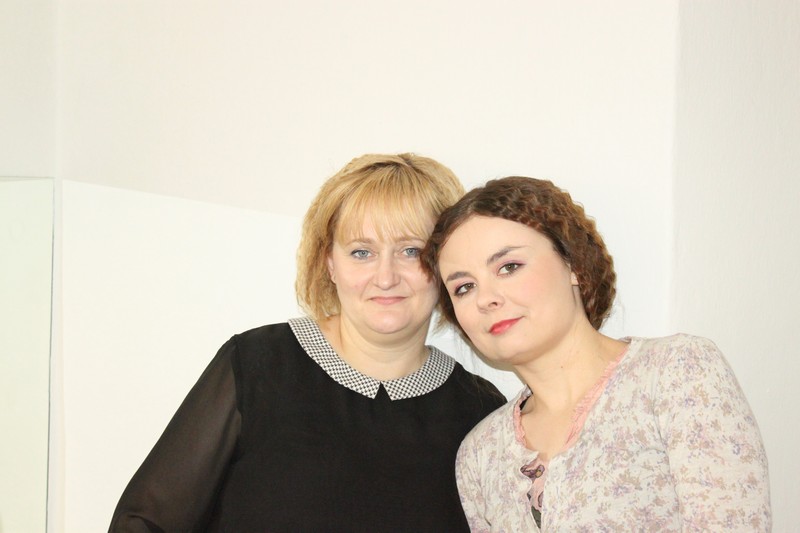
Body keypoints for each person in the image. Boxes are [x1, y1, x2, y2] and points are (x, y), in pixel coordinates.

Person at [108, 154, 506, 532]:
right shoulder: (257, 366)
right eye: (362, 252)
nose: (386, 277)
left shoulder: (480, 413)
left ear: (444, 263)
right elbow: (144, 522)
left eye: (411, 251)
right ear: (330, 263)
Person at [421, 176, 771, 531]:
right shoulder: (480, 452)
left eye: (509, 267)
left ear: (573, 264)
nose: (485, 298)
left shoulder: (677, 373)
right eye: (464, 287)